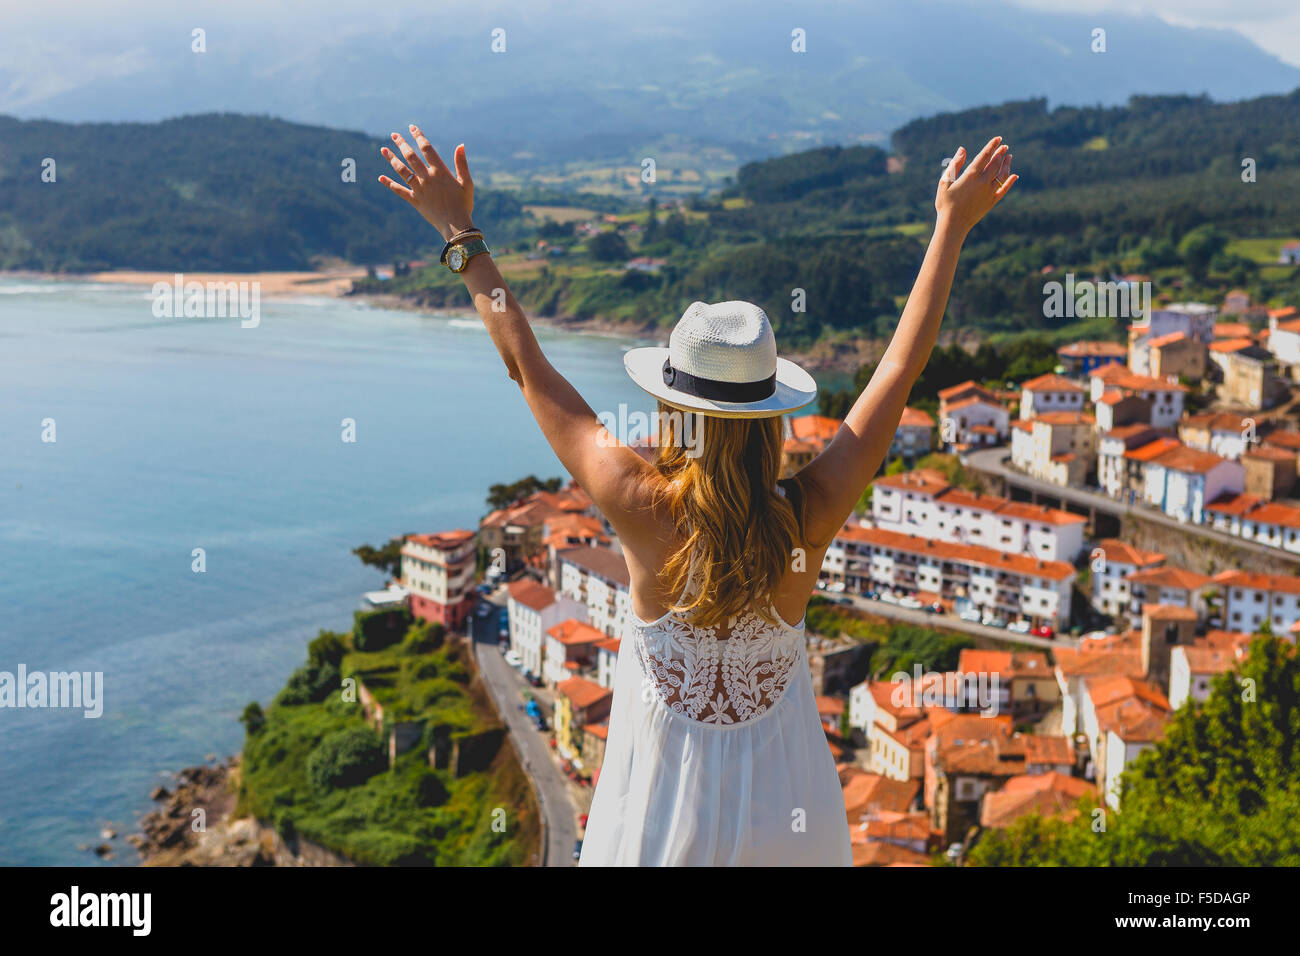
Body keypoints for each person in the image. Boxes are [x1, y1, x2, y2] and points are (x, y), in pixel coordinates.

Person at [379, 127, 1016, 865]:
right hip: (787, 814)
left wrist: (459, 233)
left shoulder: (635, 499)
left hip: (658, 812)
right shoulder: (811, 510)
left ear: (669, 408)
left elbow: (525, 363)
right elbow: (899, 371)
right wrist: (950, 225)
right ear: (769, 412)